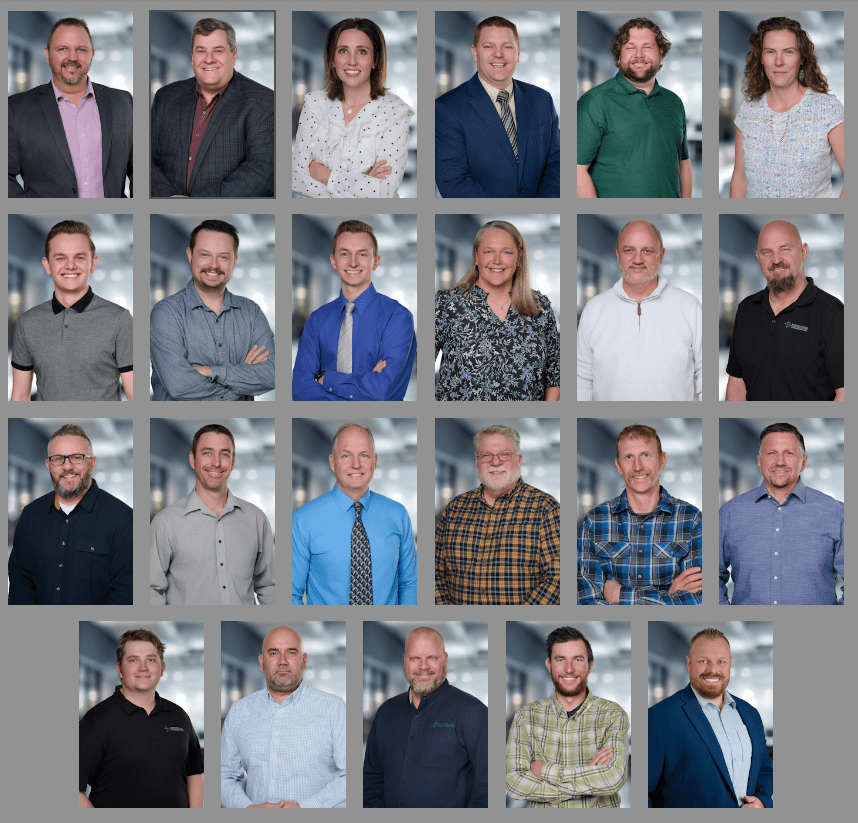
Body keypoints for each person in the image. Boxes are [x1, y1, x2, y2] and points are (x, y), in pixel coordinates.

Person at [150, 218, 275, 401]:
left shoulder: (251, 312)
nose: (214, 265)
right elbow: (179, 385)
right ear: (190, 255)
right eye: (205, 254)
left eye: (223, 257)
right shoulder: (167, 313)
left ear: (234, 260)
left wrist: (210, 371)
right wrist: (242, 379)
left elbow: (272, 374)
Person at [221, 626, 346, 808]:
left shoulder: (334, 709)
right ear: (262, 662)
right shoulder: (239, 712)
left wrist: (305, 808)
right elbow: (224, 775)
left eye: (291, 652)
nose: (282, 661)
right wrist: (248, 809)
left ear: (304, 660)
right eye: (273, 653)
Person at [435, 16, 559, 198]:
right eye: (488, 46)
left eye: (507, 47)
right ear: (475, 53)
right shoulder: (448, 108)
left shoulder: (542, 99)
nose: (498, 54)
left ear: (518, 53)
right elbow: (453, 183)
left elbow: (557, 162)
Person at [150, 423, 275, 605]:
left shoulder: (256, 519)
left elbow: (269, 587)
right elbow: (150, 589)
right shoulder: (166, 522)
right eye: (207, 453)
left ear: (232, 462)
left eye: (224, 454)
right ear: (193, 460)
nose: (216, 463)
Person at [577, 220, 702, 401]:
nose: (637, 260)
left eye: (647, 251)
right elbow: (581, 378)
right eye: (629, 250)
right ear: (618, 254)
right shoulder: (594, 310)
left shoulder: (690, 307)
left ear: (661, 255)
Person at [720, 422, 843, 605]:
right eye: (771, 453)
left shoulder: (836, 512)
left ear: (803, 462)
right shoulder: (730, 513)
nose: (780, 461)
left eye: (789, 453)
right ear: (759, 462)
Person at [292, 424, 416, 605]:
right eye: (346, 456)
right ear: (332, 462)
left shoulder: (398, 515)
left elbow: (410, 584)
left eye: (364, 455)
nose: (356, 464)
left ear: (375, 461)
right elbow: (291, 594)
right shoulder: (304, 520)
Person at [292, 219, 415, 400]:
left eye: (362, 254)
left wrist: (325, 379)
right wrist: (365, 385)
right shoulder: (317, 320)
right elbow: (299, 389)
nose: (353, 263)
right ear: (333, 261)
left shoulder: (397, 317)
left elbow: (382, 391)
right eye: (344, 254)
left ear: (375, 261)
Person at [364, 627, 488, 808]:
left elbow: (487, 786)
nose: (423, 666)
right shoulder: (386, 712)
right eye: (415, 658)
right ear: (405, 660)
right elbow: (371, 779)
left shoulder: (472, 712)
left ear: (445, 659)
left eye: (432, 658)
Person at [435, 220, 560, 401]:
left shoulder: (540, 307)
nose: (497, 260)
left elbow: (554, 374)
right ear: (476, 256)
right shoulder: (447, 305)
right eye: (489, 251)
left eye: (506, 252)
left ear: (519, 258)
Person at [8, 423, 132, 605]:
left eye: (76, 458)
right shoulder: (30, 515)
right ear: (48, 465)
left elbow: (127, 590)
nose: (67, 466)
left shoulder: (123, 518)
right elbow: (20, 577)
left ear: (92, 463)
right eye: (58, 459)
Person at [9, 17, 132, 198]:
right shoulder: (16, 109)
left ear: (92, 53)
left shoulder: (123, 102)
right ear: (47, 54)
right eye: (62, 49)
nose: (72, 58)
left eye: (81, 49)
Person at [648, 628, 773, 808]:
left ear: (730, 663)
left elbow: (764, 770)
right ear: (689, 664)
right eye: (703, 661)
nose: (713, 670)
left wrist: (762, 802)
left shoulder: (750, 714)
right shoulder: (659, 717)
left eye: (721, 661)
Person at [578, 424, 702, 605]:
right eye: (629, 457)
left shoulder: (692, 520)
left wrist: (620, 595)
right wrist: (669, 596)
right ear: (619, 466)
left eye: (646, 455)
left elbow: (697, 601)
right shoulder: (594, 522)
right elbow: (587, 603)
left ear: (662, 460)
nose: (638, 466)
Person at [79, 628, 204, 808]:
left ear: (162, 668)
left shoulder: (179, 716)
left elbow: (195, 774)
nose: (143, 667)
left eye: (151, 660)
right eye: (133, 660)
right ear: (120, 669)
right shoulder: (96, 721)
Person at [436, 424, 560, 604]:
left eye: (505, 454)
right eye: (486, 455)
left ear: (519, 459)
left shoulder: (546, 508)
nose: (495, 462)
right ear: (477, 461)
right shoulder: (455, 509)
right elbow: (434, 571)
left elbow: (557, 578)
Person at [11, 220, 133, 402]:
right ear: (47, 265)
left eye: (79, 257)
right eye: (60, 258)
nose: (70, 266)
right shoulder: (27, 323)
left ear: (93, 263)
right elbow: (20, 397)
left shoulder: (119, 319)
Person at [150, 17, 274, 197]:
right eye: (201, 51)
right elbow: (145, 159)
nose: (209, 59)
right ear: (192, 57)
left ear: (233, 55)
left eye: (218, 51)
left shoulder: (264, 101)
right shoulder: (166, 97)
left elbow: (262, 171)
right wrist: (167, 198)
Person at [506, 627, 628, 808]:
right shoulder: (525, 717)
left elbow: (612, 778)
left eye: (577, 660)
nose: (569, 669)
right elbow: (514, 784)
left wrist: (544, 770)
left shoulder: (612, 714)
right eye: (560, 660)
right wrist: (588, 776)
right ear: (549, 665)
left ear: (589, 665)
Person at [292, 18, 414, 198]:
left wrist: (324, 174)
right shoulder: (314, 104)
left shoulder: (395, 112)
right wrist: (362, 182)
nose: (352, 61)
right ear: (332, 59)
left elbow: (383, 192)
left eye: (362, 52)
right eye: (343, 51)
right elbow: (296, 178)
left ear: (375, 60)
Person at [725, 220, 844, 401]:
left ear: (803, 252)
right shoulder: (746, 309)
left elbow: (845, 392)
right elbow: (737, 382)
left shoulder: (833, 313)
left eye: (785, 249)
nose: (776, 260)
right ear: (758, 257)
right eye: (767, 252)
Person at [730, 17, 844, 198]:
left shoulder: (827, 110)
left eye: (788, 52)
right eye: (770, 52)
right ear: (761, 58)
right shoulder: (747, 112)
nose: (778, 61)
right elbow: (739, 178)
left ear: (801, 58)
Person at [578, 18, 691, 198]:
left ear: (660, 54)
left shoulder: (674, 102)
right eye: (630, 47)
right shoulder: (595, 102)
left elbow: (683, 163)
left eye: (647, 47)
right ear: (619, 55)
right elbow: (576, 171)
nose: (639, 55)